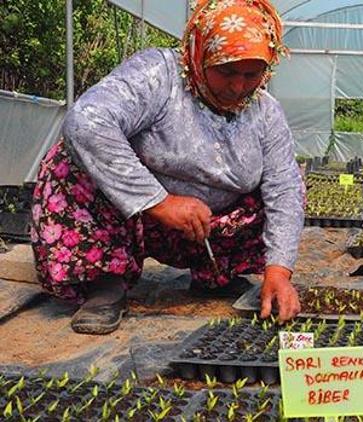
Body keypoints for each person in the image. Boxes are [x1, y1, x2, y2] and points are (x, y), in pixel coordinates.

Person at [30, 0, 304, 335]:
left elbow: (285, 188)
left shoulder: (265, 112)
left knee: (287, 186)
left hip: (205, 230)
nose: (238, 86)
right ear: (199, 54)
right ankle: (104, 283)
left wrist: (278, 271)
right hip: (130, 217)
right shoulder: (160, 76)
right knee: (69, 163)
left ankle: (215, 275)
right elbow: (87, 122)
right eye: (227, 71)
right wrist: (158, 201)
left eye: (252, 74)